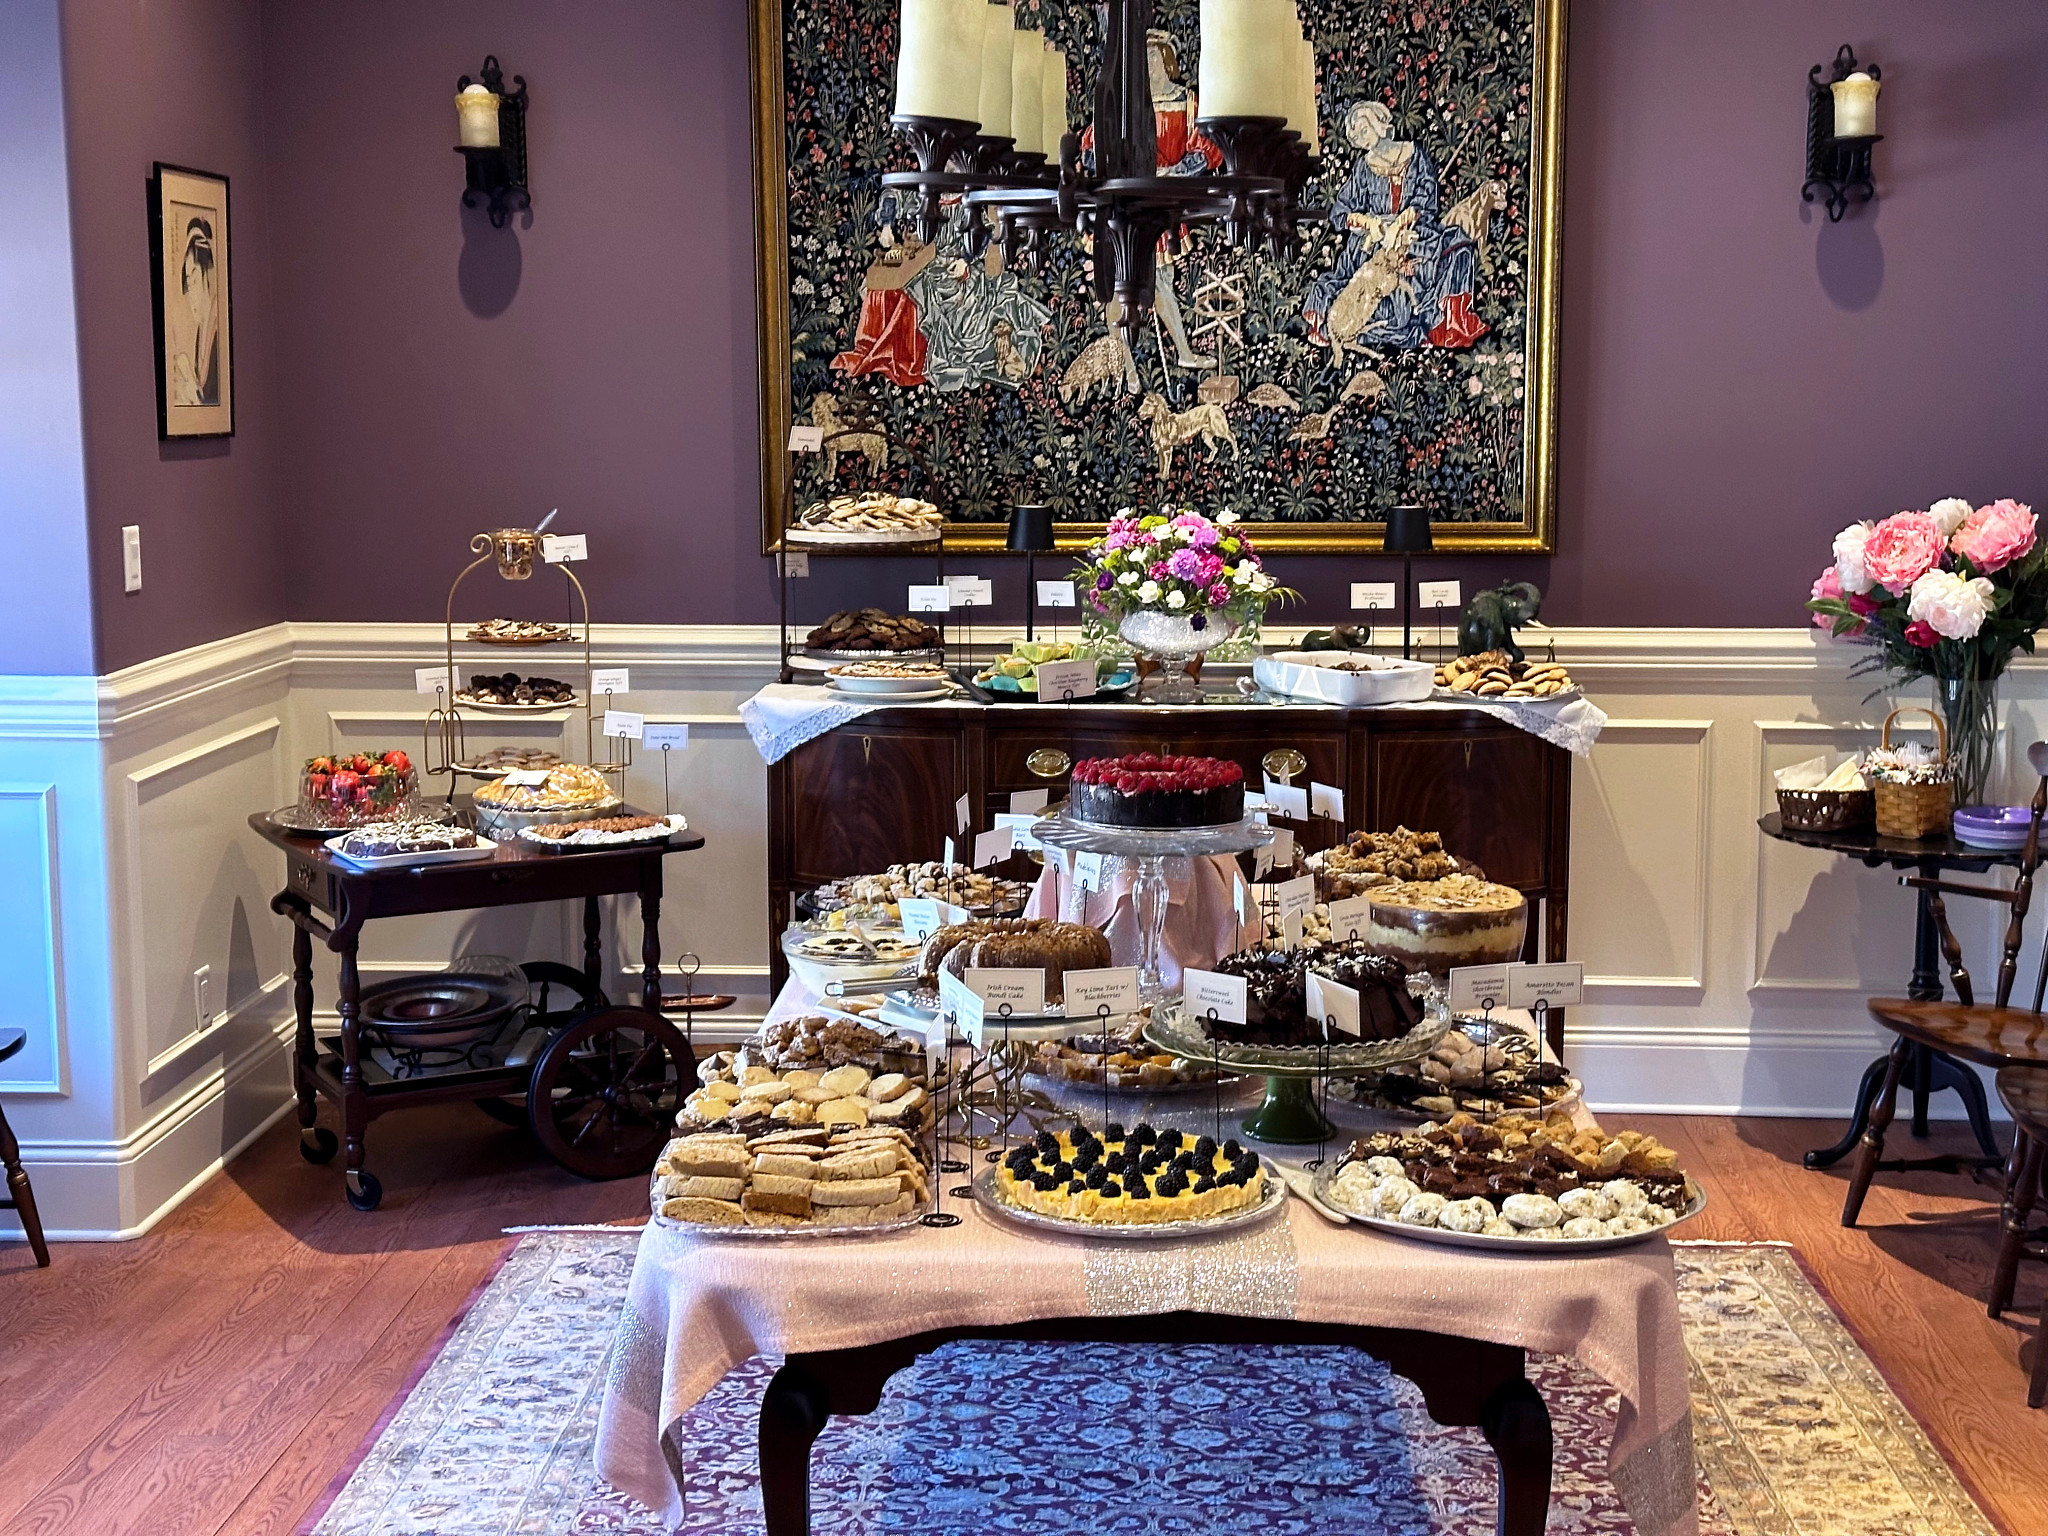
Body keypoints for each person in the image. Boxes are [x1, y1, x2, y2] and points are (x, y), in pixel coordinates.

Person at [1302, 101, 1487, 350]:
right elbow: (1340, 212)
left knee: (1460, 245)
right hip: (1374, 240)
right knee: (1369, 278)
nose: (1360, 138)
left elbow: (1426, 196)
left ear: (1379, 125)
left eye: (1363, 130)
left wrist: (1400, 222)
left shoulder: (1414, 154)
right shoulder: (1363, 168)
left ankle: (1446, 323)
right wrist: (1368, 221)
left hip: (1417, 232)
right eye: (1355, 135)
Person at [170, 216, 221, 406]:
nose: (191, 293)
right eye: (188, 284)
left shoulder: (216, 326)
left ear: (205, 274)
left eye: (194, 279)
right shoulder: (202, 329)